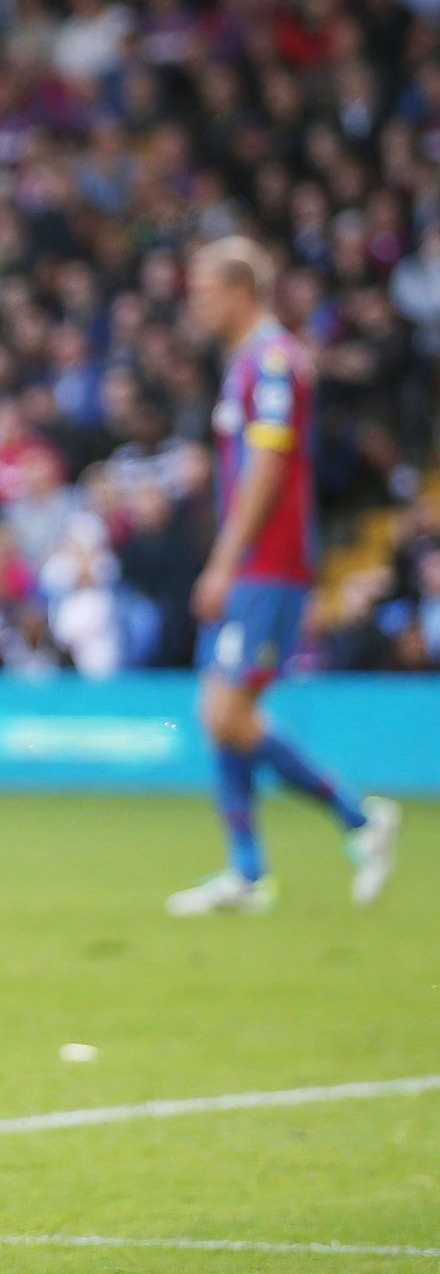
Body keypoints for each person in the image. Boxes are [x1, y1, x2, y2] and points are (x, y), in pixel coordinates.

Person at [165, 238, 400, 915]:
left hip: (270, 565)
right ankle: (246, 872)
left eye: (204, 289)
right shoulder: (245, 364)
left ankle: (360, 820)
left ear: (240, 290)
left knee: (224, 711)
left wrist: (224, 561)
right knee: (221, 715)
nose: (195, 303)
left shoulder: (274, 361)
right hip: (255, 564)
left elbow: (268, 470)